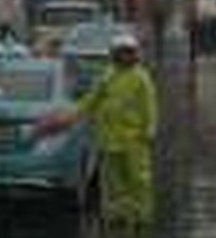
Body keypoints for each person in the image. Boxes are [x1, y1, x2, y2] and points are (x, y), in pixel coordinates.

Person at [37, 33, 158, 227]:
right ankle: (119, 216)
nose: (125, 57)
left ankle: (141, 217)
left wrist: (150, 130)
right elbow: (92, 99)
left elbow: (149, 106)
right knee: (114, 182)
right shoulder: (108, 75)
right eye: (122, 53)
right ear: (115, 54)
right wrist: (72, 115)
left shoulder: (141, 77)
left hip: (134, 139)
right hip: (110, 139)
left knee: (138, 180)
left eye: (129, 53)